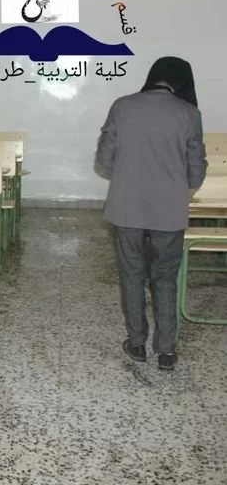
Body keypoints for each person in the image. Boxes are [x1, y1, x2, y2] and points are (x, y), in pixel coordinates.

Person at [96, 56, 207, 371]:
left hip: (126, 206)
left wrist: (129, 172)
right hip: (169, 210)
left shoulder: (122, 106)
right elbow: (196, 169)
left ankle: (136, 343)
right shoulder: (189, 113)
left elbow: (104, 159)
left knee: (132, 275)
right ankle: (167, 350)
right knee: (165, 277)